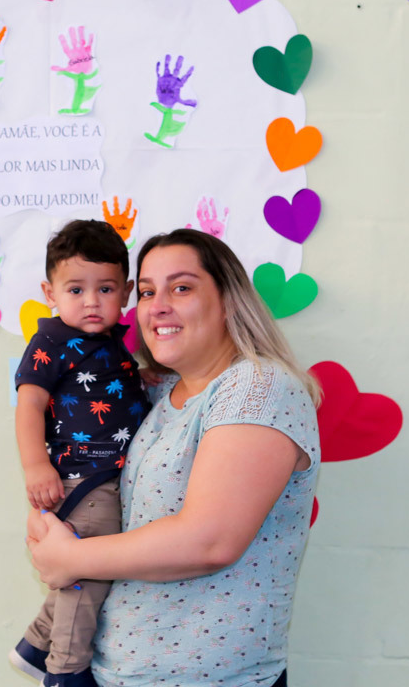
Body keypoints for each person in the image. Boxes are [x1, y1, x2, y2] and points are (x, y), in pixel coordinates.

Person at [27, 228, 321, 687]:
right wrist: (55, 512)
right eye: (147, 292)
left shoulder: (258, 388)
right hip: (116, 670)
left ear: (228, 301)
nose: (158, 306)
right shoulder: (158, 393)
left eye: (181, 288)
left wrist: (71, 557)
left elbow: (210, 541)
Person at [10, 220, 152, 687]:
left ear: (126, 292)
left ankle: (35, 647)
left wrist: (141, 378)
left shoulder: (112, 342)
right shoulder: (51, 342)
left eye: (105, 289)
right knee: (86, 577)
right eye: (76, 289)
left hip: (107, 478)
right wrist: (36, 465)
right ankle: (66, 671)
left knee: (85, 568)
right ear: (50, 293)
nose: (91, 301)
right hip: (83, 480)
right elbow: (29, 405)